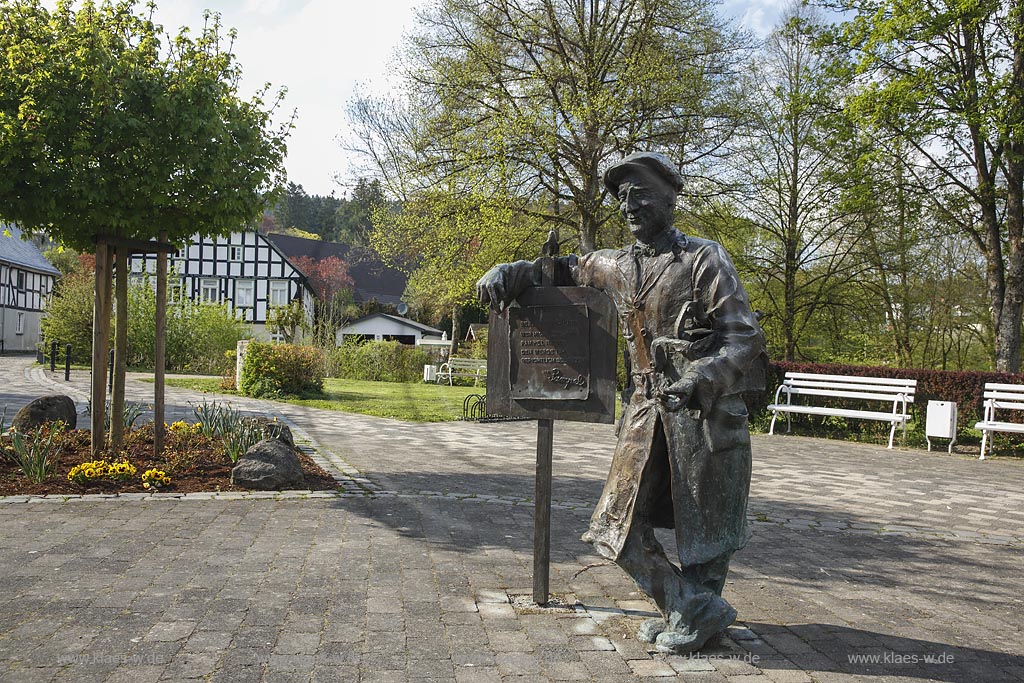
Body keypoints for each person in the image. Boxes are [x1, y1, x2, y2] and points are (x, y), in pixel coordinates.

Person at [477, 151, 767, 653]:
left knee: (705, 530)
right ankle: (690, 608)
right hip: (644, 413)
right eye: (622, 197)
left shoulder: (704, 258)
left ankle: (692, 610)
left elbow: (743, 337)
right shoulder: (616, 264)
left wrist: (701, 374)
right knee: (616, 526)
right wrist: (517, 268)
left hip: (703, 416)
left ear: (670, 197)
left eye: (641, 193)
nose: (629, 205)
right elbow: (562, 269)